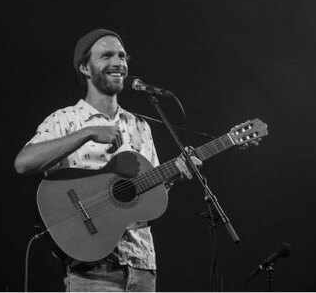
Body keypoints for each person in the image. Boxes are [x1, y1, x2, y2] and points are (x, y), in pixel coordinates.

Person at [14, 29, 199, 292]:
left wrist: (173, 175)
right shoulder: (65, 120)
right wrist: (88, 132)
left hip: (141, 264)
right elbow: (24, 163)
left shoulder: (140, 126)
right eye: (107, 55)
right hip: (90, 267)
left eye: (122, 56)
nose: (119, 63)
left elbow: (146, 195)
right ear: (85, 67)